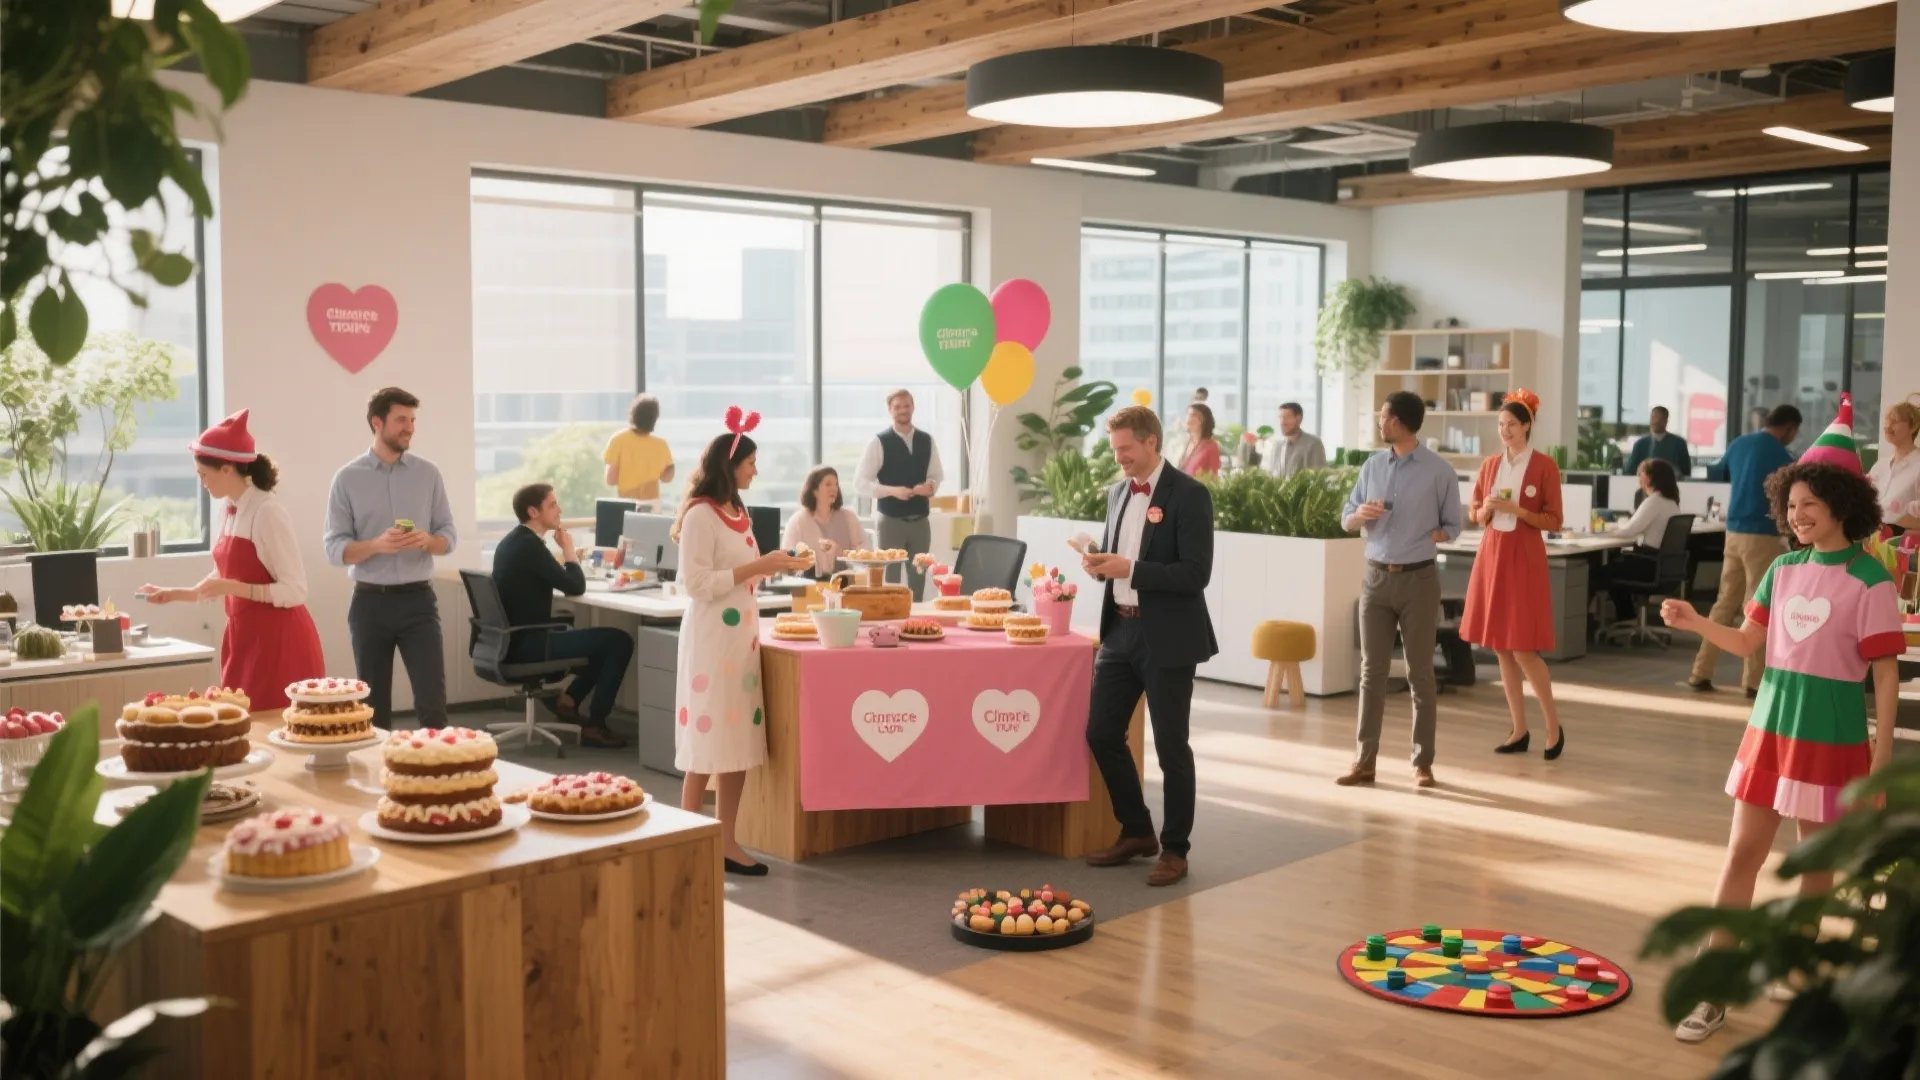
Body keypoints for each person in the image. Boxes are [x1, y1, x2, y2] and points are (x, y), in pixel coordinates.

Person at [1660, 401, 1898, 1044]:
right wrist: (1695, 621)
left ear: (1842, 504)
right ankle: (1714, 986)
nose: (1797, 515)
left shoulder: (1872, 581)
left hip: (1834, 736)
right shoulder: (1781, 571)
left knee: (1814, 863)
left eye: (1809, 505)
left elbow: (1883, 674)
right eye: (1790, 505)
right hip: (1770, 730)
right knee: (1742, 854)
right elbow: (1746, 643)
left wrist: (1880, 759)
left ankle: (1796, 963)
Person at [1080, 405, 1217, 887]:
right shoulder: (1118, 492)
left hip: (1168, 636)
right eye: (1115, 450)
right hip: (1119, 631)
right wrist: (1099, 565)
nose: (1119, 458)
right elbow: (1118, 557)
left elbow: (1195, 573)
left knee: (1171, 746)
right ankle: (1137, 829)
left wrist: (1131, 570)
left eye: (1126, 449)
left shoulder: (1190, 494)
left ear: (1151, 442)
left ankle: (1175, 848)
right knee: (1100, 733)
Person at [672, 413, 812, 876]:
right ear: (729, 466)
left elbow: (742, 572)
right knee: (706, 744)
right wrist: (758, 567)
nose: (756, 470)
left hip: (741, 641)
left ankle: (727, 841)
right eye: (751, 462)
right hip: (712, 642)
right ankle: (690, 841)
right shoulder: (700, 515)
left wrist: (779, 565)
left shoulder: (738, 512)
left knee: (735, 743)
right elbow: (697, 583)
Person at [136, 410, 324, 712]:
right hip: (244, 639)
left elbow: (295, 590)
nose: (202, 483)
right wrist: (175, 594)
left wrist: (234, 588)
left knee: (271, 724)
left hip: (279, 642)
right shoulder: (228, 509)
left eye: (203, 475)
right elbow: (224, 575)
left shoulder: (268, 512)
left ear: (226, 469)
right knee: (239, 722)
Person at [1336, 391, 1464, 789]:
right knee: (1371, 673)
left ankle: (1422, 763)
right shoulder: (1372, 465)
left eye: (1384, 416)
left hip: (1419, 581)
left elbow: (1454, 527)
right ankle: (1364, 762)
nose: (1380, 422)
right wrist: (1361, 514)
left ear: (1399, 422)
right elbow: (1346, 518)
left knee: (1420, 674)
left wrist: (1431, 533)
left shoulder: (1440, 471)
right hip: (1375, 579)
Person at [323, 387, 457, 730]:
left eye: (412, 420)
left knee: (432, 703)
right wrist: (376, 545)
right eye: (401, 420)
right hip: (370, 604)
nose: (409, 427)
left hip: (419, 602)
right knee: (373, 710)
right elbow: (335, 549)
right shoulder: (347, 478)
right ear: (377, 423)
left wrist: (428, 541)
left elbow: (448, 537)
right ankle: (377, 766)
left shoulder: (429, 474)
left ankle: (438, 764)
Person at [1461, 390, 1566, 758]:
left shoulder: (1544, 466)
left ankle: (1553, 726)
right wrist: (1487, 510)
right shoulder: (1490, 465)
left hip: (1524, 556)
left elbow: (1554, 520)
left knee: (1523, 648)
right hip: (1492, 554)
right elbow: (1474, 513)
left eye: (1511, 425)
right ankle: (1519, 729)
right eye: (1500, 424)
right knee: (1501, 647)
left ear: (1526, 426)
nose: (1504, 430)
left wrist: (1517, 510)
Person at [492, 483, 633, 748]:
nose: (560, 509)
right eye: (553, 504)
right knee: (618, 641)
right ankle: (595, 725)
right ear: (533, 512)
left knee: (600, 644)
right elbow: (575, 586)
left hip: (513, 641)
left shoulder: (514, 541)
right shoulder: (530, 546)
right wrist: (569, 549)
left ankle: (567, 702)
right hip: (529, 644)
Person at [1688, 405, 1801, 697]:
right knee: (1757, 606)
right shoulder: (1782, 456)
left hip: (1734, 532)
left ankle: (1700, 672)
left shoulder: (1739, 443)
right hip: (1762, 535)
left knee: (1724, 602)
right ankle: (1753, 681)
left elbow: (1718, 473)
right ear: (1789, 428)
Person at [855, 389, 943, 597]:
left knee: (919, 579)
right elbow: (860, 482)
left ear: (913, 407)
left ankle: (916, 615)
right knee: (889, 580)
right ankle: (889, 616)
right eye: (897, 406)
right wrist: (892, 491)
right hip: (890, 522)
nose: (903, 410)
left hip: (921, 522)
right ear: (890, 410)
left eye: (906, 405)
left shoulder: (926, 440)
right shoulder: (879, 442)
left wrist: (930, 487)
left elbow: (936, 475)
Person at [1593, 458, 1683, 623]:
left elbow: (1629, 531)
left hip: (1647, 565)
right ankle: (1625, 617)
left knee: (1596, 573)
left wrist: (1603, 532)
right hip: (1660, 566)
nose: (1638, 477)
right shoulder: (1671, 503)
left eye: (1640, 473)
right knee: (1613, 567)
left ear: (1648, 478)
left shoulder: (1654, 501)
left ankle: (1595, 622)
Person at [783, 466, 866, 579]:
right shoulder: (797, 521)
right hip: (809, 582)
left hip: (846, 582)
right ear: (814, 491)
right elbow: (788, 561)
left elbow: (865, 556)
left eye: (836, 484)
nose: (834, 489)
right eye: (828, 484)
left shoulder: (849, 517)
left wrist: (842, 553)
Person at [603, 394, 675, 507]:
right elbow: (668, 477)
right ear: (654, 419)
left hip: (626, 504)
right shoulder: (661, 445)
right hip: (652, 505)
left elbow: (610, 480)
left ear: (633, 414)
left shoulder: (617, 440)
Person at [1867, 395, 1920, 532]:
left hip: (1905, 542)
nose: (1887, 426)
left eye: (1894, 421)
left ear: (1913, 427)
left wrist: (1896, 528)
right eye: (1887, 420)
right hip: (1871, 539)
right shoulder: (1880, 465)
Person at [1625, 405, 1692, 478]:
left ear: (1666, 421)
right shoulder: (1640, 444)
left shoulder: (1679, 443)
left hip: (1671, 483)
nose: (1655, 421)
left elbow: (1686, 471)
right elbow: (1630, 471)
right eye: (1653, 418)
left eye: (1659, 418)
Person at [1264, 402, 1327, 479]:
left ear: (1298, 419)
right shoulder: (1277, 446)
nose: (1282, 422)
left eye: (1287, 417)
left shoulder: (1313, 443)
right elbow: (1271, 474)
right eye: (1280, 417)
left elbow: (1318, 476)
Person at [1179, 403, 1222, 477]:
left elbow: (1214, 477)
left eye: (1193, 415)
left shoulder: (1211, 446)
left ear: (1203, 420)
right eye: (1188, 415)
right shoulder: (1188, 443)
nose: (1188, 419)